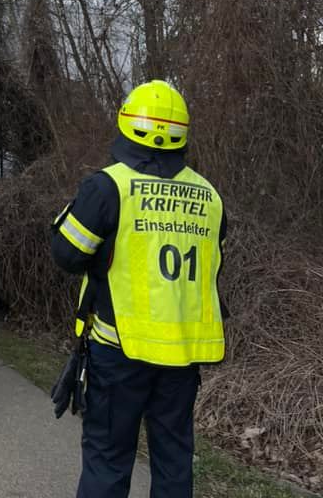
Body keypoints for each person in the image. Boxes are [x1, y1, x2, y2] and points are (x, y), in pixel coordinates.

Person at [51, 80, 226, 498]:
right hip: (182, 358)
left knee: (108, 461)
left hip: (119, 351)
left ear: (126, 126)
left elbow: (66, 254)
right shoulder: (210, 196)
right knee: (173, 464)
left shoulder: (107, 186)